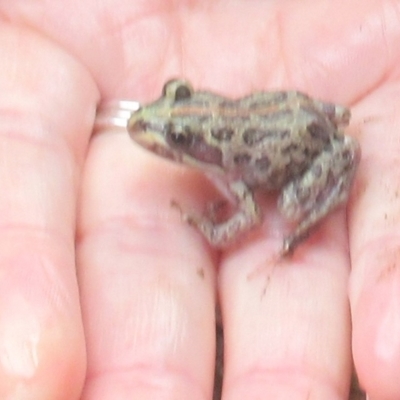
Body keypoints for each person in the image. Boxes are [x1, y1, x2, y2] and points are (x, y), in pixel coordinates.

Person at [0, 1, 397, 399]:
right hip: (306, 116)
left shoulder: (233, 174)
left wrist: (209, 229)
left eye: (179, 138)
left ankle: (311, 217)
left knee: (292, 207)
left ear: (202, 146)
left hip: (312, 148)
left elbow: (252, 215)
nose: (154, 129)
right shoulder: (222, 154)